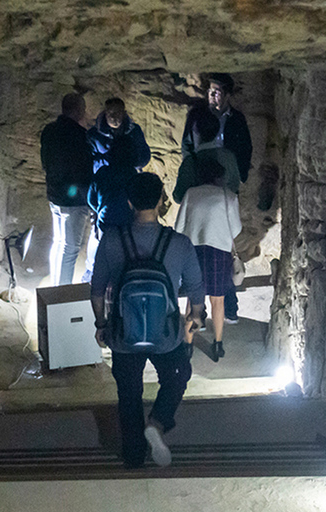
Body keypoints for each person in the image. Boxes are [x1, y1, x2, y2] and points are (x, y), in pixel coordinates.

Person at [90, 173, 204, 469]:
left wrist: (101, 324)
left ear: (129, 202)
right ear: (161, 201)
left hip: (123, 334)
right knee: (177, 378)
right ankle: (158, 421)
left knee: (128, 394)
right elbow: (195, 288)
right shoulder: (179, 243)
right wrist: (194, 318)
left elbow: (97, 288)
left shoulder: (112, 239)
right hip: (166, 334)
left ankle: (133, 457)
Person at [181, 73, 252, 323]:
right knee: (206, 254)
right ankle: (200, 313)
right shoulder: (197, 116)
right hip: (203, 193)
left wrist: (236, 176)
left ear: (228, 94)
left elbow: (245, 149)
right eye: (211, 90)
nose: (214, 95)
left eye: (219, 91)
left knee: (225, 251)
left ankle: (229, 307)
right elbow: (186, 144)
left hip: (224, 194)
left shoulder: (236, 120)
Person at [175, 160, 241, 360]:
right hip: (219, 252)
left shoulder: (190, 194)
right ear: (219, 178)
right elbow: (236, 229)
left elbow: (179, 227)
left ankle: (187, 344)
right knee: (218, 300)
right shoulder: (228, 197)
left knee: (192, 300)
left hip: (193, 252)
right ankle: (218, 344)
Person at [84, 97, 152, 281]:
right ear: (105, 114)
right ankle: (92, 273)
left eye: (118, 113)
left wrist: (128, 162)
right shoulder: (94, 135)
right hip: (106, 191)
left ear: (124, 112)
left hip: (112, 191)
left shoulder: (133, 131)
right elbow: (89, 160)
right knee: (99, 240)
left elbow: (144, 156)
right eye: (111, 114)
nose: (115, 118)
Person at [40, 92, 93, 286]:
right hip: (73, 200)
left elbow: (45, 162)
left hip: (54, 195)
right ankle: (61, 292)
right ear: (80, 110)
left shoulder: (49, 131)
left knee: (59, 243)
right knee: (70, 249)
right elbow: (84, 170)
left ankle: (56, 285)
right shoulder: (79, 136)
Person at [173, 108, 240, 204]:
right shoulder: (229, 157)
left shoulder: (190, 163)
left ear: (195, 129)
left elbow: (179, 197)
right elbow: (234, 187)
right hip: (222, 215)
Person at [87, 137, 139, 232]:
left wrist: (99, 209)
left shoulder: (102, 172)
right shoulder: (132, 173)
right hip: (127, 221)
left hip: (105, 220)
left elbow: (91, 200)